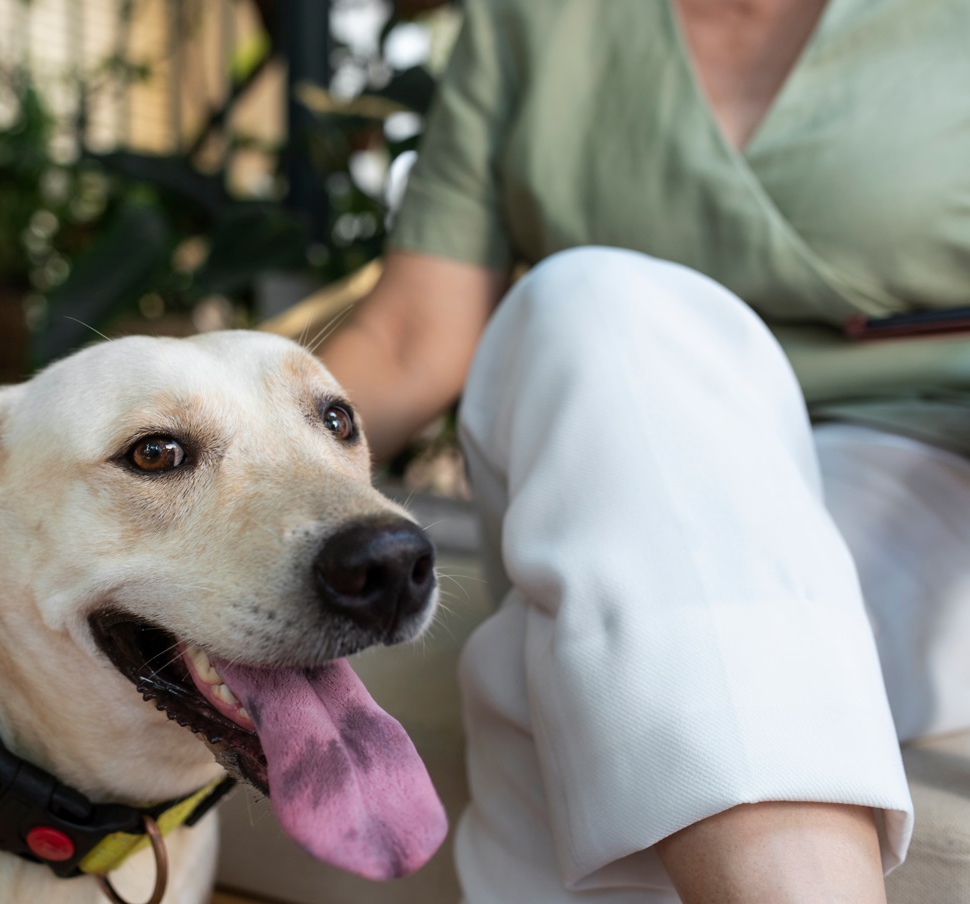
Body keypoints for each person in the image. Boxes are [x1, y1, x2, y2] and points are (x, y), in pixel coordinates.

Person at [317, 0, 970, 902]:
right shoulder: (534, 20)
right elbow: (407, 342)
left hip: (915, 479)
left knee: (542, 676)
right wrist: (195, 467)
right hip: (602, 475)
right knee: (592, 300)